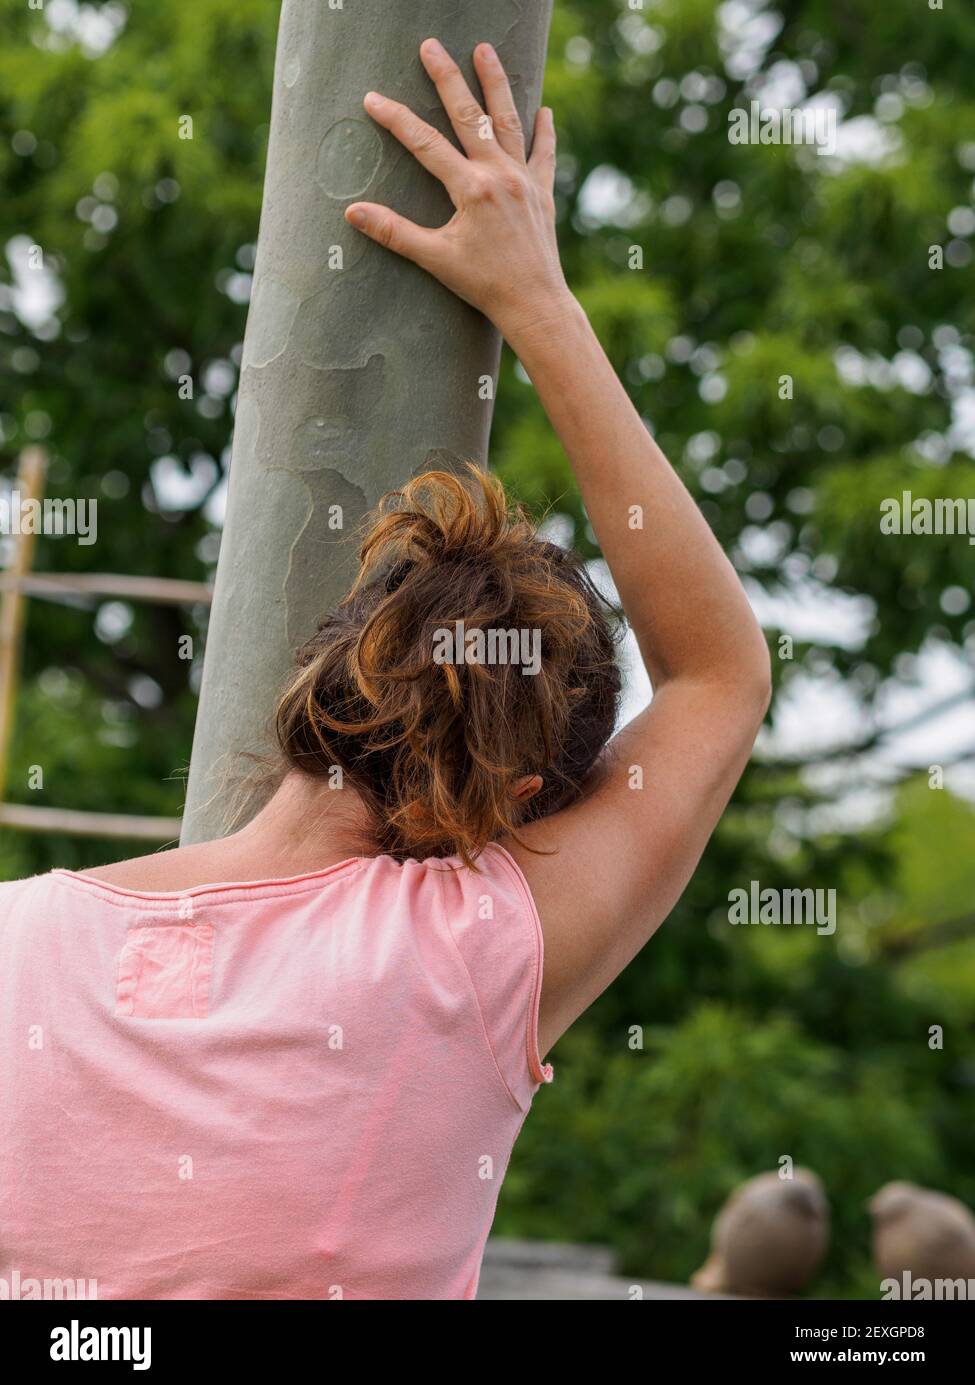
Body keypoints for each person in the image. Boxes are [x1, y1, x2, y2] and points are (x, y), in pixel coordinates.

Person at [0, 40, 770, 1300]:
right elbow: (721, 678)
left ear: (318, 672)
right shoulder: (473, 955)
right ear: (522, 803)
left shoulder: (14, 945)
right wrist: (539, 303)